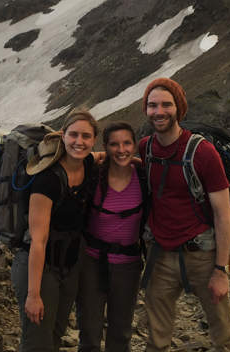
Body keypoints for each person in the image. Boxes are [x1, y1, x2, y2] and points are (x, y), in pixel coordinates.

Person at [138, 78, 230, 352]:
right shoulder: (145, 148)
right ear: (146, 110)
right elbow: (116, 160)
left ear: (179, 109)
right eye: (152, 105)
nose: (159, 111)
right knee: (156, 341)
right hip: (159, 256)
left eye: (166, 104)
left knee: (225, 339)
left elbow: (223, 214)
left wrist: (221, 271)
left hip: (203, 256)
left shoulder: (203, 153)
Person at [11, 108, 99, 352]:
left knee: (55, 338)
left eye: (86, 136)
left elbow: (104, 156)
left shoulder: (88, 163)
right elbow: (38, 241)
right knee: (36, 344)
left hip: (67, 269)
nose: (79, 142)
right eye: (73, 135)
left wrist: (133, 160)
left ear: (94, 140)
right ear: (63, 136)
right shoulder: (47, 180)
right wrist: (33, 294)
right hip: (39, 269)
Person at [75, 121, 148, 352]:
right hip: (91, 263)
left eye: (127, 143)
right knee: (89, 333)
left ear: (135, 146)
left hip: (129, 266)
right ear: (105, 147)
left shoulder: (144, 178)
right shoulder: (93, 176)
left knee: (121, 333)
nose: (121, 149)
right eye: (114, 144)